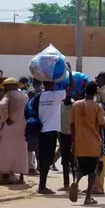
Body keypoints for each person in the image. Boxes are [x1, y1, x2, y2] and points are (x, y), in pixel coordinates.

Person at [37, 63, 73, 195]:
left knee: (42, 159)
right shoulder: (56, 96)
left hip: (41, 131)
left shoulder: (39, 96)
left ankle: (42, 184)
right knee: (47, 159)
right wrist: (69, 72)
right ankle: (42, 186)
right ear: (51, 84)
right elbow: (72, 88)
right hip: (51, 132)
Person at [68, 81, 105, 205]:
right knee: (92, 171)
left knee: (80, 167)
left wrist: (73, 142)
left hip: (79, 143)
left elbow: (72, 125)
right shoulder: (97, 107)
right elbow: (102, 124)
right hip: (93, 144)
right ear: (95, 92)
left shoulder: (76, 105)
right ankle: (88, 197)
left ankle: (76, 181)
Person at [0, 78, 29, 185]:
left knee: (6, 150)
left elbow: (2, 105)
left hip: (10, 126)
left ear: (8, 86)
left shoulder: (8, 95)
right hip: (22, 126)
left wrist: (6, 117)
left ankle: (5, 177)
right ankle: (21, 177)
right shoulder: (25, 95)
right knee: (21, 151)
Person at [25, 78, 43, 174]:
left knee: (32, 145)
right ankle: (32, 167)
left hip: (30, 121)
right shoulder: (36, 92)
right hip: (36, 121)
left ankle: (33, 166)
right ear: (39, 83)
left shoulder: (29, 92)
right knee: (34, 145)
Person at [58, 92, 74, 192]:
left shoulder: (75, 106)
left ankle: (74, 184)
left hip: (73, 136)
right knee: (65, 162)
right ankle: (66, 184)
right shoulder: (60, 106)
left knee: (73, 162)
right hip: (63, 136)